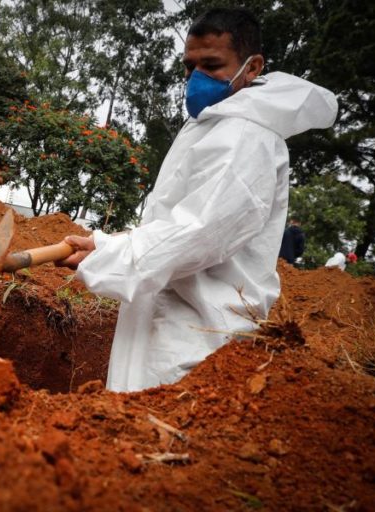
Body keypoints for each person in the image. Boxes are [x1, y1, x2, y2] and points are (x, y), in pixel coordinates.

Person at [56, 7, 338, 392]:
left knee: (160, 419)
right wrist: (105, 245)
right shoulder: (212, 124)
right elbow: (174, 223)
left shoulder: (246, 136)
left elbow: (200, 232)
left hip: (197, 333)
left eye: (212, 65)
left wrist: (109, 256)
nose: (196, 78)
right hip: (169, 315)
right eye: (190, 67)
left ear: (252, 68)